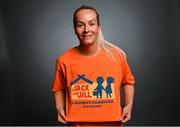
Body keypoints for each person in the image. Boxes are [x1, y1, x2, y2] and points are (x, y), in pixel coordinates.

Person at [52, 5, 135, 126]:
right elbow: (58, 88)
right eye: (80, 25)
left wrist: (128, 106)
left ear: (98, 27)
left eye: (91, 24)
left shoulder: (116, 56)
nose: (86, 29)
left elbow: (128, 81)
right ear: (75, 29)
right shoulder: (64, 60)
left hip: (113, 124)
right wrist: (60, 109)